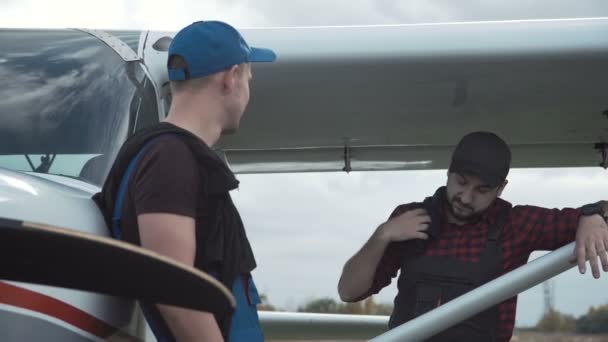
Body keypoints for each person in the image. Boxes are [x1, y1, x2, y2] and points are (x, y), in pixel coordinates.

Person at [94, 20, 276, 342]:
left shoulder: (172, 155)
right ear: (231, 78)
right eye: (248, 77)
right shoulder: (170, 158)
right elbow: (174, 290)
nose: (249, 89)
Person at [337, 131, 608, 342]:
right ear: (449, 172)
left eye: (482, 190)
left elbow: (600, 211)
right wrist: (382, 235)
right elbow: (349, 292)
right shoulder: (408, 218)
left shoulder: (517, 224)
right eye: (461, 182)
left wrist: (594, 214)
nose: (466, 198)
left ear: (501, 188)